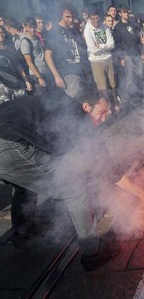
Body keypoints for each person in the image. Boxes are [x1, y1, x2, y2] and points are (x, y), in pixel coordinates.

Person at [0, 89, 120, 270]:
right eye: (101, 113)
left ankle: (22, 230)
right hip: (8, 145)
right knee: (74, 189)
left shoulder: (60, 104)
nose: (103, 119)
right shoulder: (75, 117)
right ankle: (92, 253)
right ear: (86, 107)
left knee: (26, 180)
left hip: (7, 135)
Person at [45, 2, 90, 98]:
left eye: (72, 17)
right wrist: (57, 76)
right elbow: (48, 56)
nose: (71, 19)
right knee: (75, 99)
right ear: (61, 15)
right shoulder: (54, 32)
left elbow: (81, 50)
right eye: (67, 17)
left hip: (80, 70)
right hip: (67, 73)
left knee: (85, 98)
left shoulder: (74, 30)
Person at [83, 12, 120, 111]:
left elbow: (112, 44)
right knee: (102, 86)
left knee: (113, 84)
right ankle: (107, 107)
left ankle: (116, 103)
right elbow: (93, 49)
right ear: (89, 19)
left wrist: (101, 46)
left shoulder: (105, 27)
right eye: (93, 18)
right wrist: (105, 47)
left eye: (97, 18)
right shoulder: (87, 31)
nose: (95, 21)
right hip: (96, 62)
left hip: (108, 59)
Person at [113, 4, 144, 105]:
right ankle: (130, 98)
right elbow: (117, 44)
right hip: (127, 55)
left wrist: (141, 53)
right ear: (120, 13)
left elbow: (138, 41)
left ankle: (138, 96)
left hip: (136, 54)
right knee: (130, 77)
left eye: (127, 11)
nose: (126, 14)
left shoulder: (132, 24)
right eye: (124, 12)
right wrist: (121, 58)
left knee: (139, 75)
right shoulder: (118, 27)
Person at [0, 26, 32, 103]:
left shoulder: (10, 48)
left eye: (2, 32)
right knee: (7, 110)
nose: (1, 34)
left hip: (17, 82)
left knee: (23, 105)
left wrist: (26, 81)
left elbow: (18, 66)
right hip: (3, 87)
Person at [20, 17, 52, 92]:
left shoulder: (37, 38)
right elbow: (29, 62)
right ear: (25, 28)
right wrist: (39, 77)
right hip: (36, 75)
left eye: (34, 27)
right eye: (30, 27)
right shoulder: (25, 41)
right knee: (43, 99)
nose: (32, 29)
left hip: (46, 71)